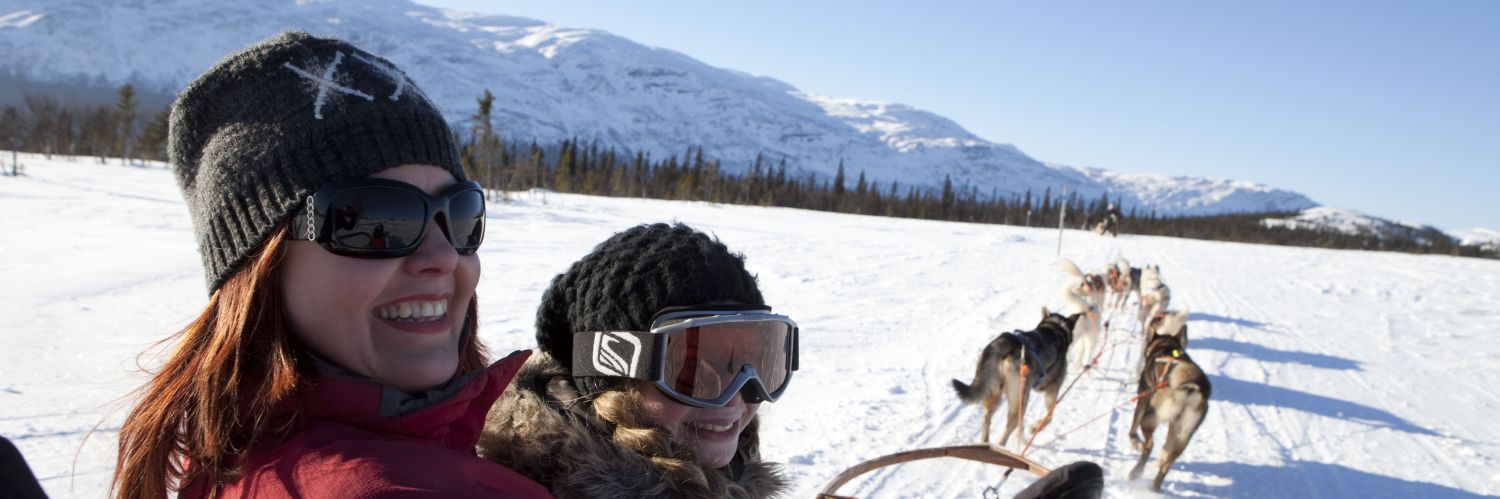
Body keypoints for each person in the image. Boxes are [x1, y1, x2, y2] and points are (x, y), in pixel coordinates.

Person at [111, 32, 550, 499]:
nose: (443, 257)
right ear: (261, 262)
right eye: (376, 219)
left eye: (460, 215)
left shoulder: (243, 455)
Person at [479, 223, 791, 498]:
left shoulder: (729, 471)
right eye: (693, 369)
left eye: (756, 362)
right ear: (615, 368)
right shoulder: (520, 488)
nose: (735, 397)